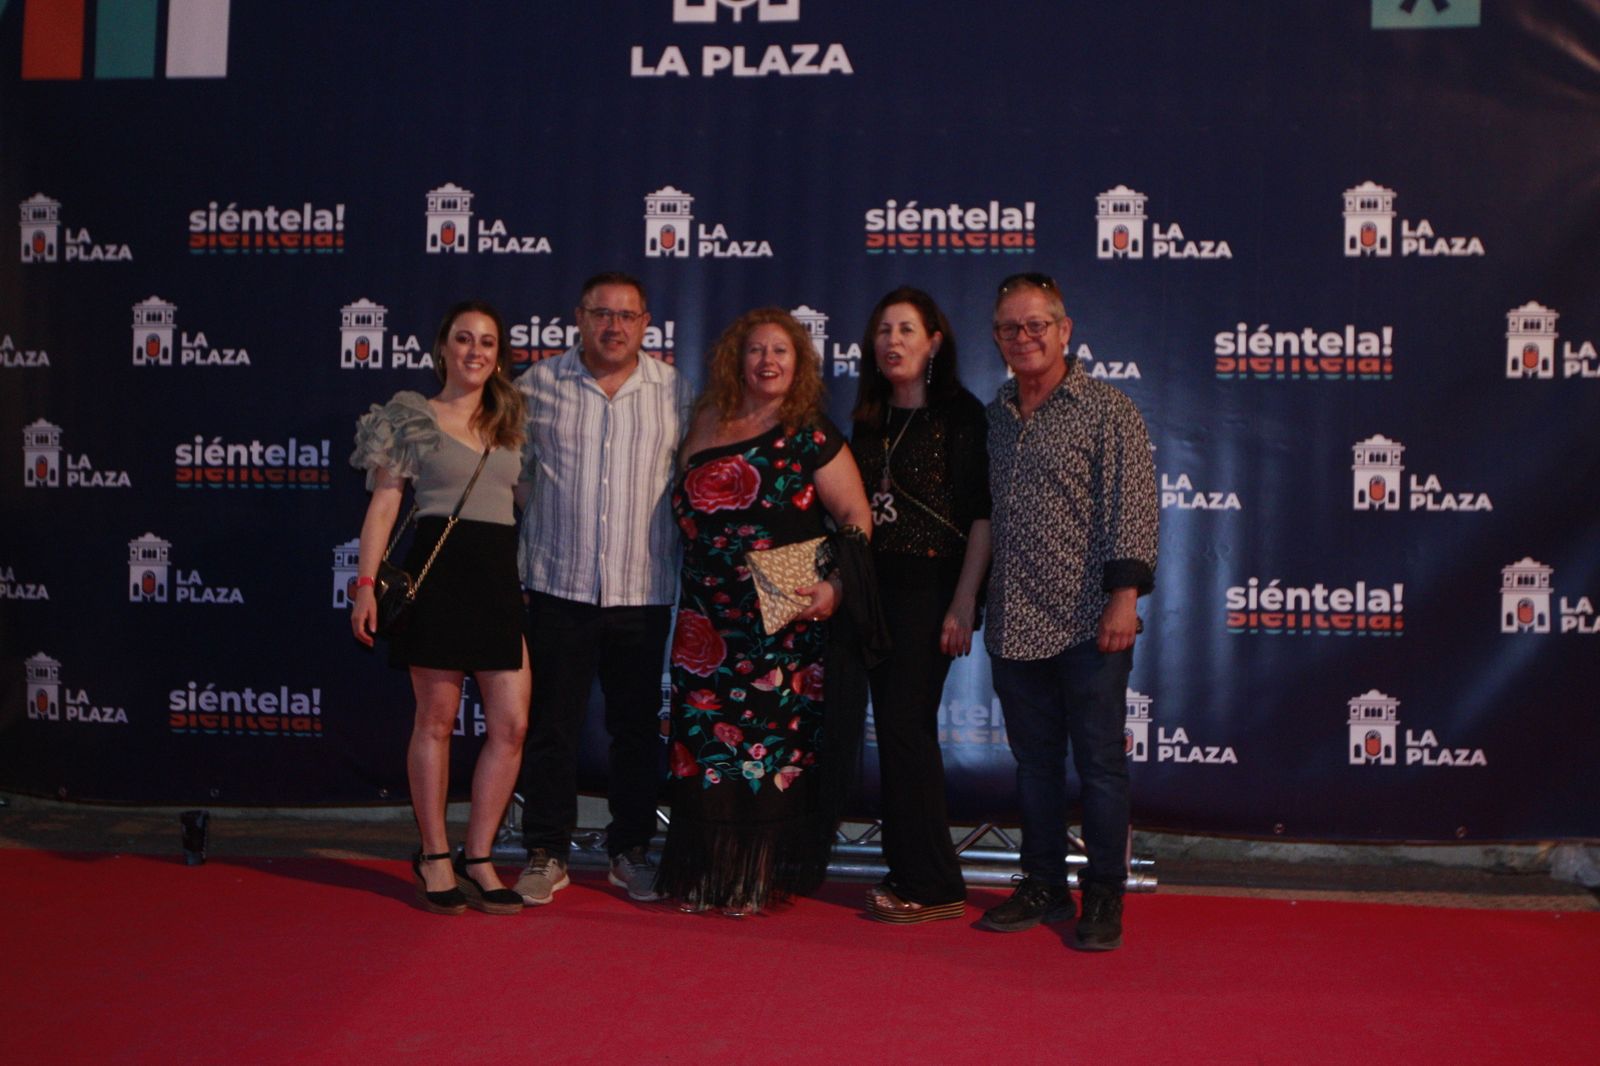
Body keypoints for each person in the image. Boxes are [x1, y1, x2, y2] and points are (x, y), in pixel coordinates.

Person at [655, 307, 874, 915]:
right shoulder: (702, 420)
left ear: (799, 363)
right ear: (736, 359)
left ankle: (753, 878)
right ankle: (706, 876)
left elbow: (856, 519)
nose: (768, 361)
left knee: (765, 756)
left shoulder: (811, 432)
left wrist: (833, 589)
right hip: (705, 617)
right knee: (703, 752)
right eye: (755, 350)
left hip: (782, 619)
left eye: (781, 351)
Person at [979, 272, 1157, 951]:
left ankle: (1104, 894)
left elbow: (1134, 509)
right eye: (1009, 328)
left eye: (1035, 326)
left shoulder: (1109, 410)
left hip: (1089, 624)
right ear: (995, 337)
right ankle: (1043, 884)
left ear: (1064, 330)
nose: (1023, 338)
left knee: (1101, 766)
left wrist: (1123, 599)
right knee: (1035, 767)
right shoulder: (994, 414)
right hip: (1013, 621)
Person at [512, 272, 695, 905]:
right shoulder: (535, 387)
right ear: (579, 318)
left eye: (627, 315)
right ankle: (546, 851)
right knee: (551, 727)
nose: (613, 327)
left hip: (640, 591)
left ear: (647, 323)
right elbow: (516, 478)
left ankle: (631, 849)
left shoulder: (675, 392)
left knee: (637, 732)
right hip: (557, 586)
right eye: (601, 314)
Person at [350, 299, 530, 916]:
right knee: (436, 720)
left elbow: (528, 502)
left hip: (498, 583)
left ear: (498, 355)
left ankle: (478, 856)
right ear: (442, 349)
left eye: (487, 341)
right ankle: (433, 854)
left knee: (511, 724)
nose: (475, 351)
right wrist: (366, 584)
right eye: (463, 339)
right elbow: (384, 505)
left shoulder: (513, 422)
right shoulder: (411, 415)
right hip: (437, 579)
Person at [850, 287, 991, 924]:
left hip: (932, 589)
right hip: (872, 589)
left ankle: (933, 884)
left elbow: (981, 518)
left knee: (907, 732)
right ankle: (911, 865)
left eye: (907, 329)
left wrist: (964, 602)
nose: (893, 341)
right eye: (883, 330)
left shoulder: (960, 415)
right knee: (897, 732)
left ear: (934, 341)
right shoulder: (869, 416)